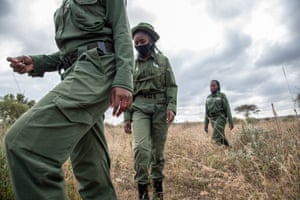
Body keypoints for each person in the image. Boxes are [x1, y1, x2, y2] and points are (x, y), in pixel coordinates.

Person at [5, 0, 133, 199]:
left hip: (96, 71)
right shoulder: (65, 4)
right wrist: (37, 62)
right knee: (91, 170)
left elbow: (122, 31)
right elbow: (69, 52)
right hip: (76, 72)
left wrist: (124, 80)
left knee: (23, 145)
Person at [123, 22, 178, 200]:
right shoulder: (132, 65)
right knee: (141, 148)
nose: (139, 45)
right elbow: (128, 91)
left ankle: (159, 191)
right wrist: (127, 117)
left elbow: (171, 85)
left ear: (152, 40)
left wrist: (172, 107)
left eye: (142, 41)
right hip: (139, 108)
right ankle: (143, 192)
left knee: (157, 152)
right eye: (136, 42)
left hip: (160, 108)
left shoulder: (163, 61)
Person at [204, 80, 234, 146]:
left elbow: (227, 109)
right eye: (211, 86)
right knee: (221, 136)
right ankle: (229, 148)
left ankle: (215, 151)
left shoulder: (222, 96)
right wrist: (205, 125)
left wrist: (230, 121)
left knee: (215, 138)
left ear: (218, 86)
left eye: (214, 85)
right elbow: (206, 112)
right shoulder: (208, 98)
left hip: (221, 118)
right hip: (212, 119)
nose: (212, 87)